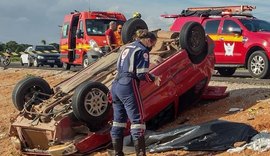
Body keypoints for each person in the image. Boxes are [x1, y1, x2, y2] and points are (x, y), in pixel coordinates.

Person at [110, 29, 161, 156]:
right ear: (149, 41)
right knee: (137, 121)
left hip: (115, 85)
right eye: (152, 45)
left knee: (118, 121)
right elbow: (141, 74)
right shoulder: (142, 50)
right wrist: (154, 78)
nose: (151, 48)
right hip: (128, 85)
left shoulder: (126, 48)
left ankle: (117, 153)